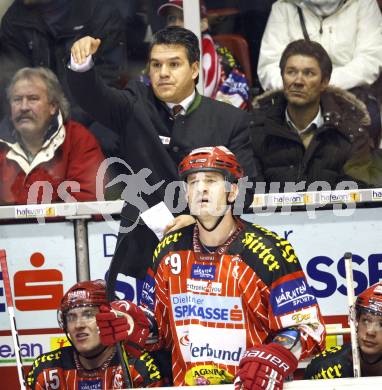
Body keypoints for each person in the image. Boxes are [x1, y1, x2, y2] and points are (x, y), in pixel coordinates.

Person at [68, 26, 256, 299]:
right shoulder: (133, 106)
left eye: (174, 64)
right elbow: (92, 96)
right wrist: (81, 63)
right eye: (156, 65)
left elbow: (245, 189)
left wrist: (198, 217)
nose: (163, 73)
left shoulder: (229, 120)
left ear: (194, 69)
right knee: (132, 336)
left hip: (212, 255)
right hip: (140, 258)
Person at [132, 146, 325, 387]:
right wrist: (131, 322)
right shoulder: (168, 250)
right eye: (192, 182)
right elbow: (155, 327)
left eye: (211, 181)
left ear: (232, 191)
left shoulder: (270, 252)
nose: (200, 188)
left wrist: (276, 355)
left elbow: (310, 327)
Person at [0, 0, 127, 155]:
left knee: (104, 141)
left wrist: (63, 122)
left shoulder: (99, 13)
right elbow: (12, 82)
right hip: (37, 113)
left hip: (91, 114)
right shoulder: (15, 18)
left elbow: (110, 82)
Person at [251, 39, 375, 191]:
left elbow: (360, 195)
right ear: (282, 77)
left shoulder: (351, 132)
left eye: (308, 73)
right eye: (291, 72)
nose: (298, 81)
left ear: (324, 82)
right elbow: (250, 196)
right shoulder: (257, 130)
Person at [256, 0, 382, 146]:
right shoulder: (283, 7)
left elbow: (370, 61)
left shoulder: (364, 4)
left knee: (368, 127)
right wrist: (298, 86)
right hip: (293, 95)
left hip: (350, 94)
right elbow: (269, 66)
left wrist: (320, 84)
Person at [26, 279, 163, 389]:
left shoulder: (138, 366)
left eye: (88, 314)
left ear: (110, 318)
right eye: (71, 317)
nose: (79, 325)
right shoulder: (46, 369)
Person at [0, 67, 106, 205]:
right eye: (17, 100)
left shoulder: (78, 140)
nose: (23, 107)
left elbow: (88, 203)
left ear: (53, 106)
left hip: (64, 226)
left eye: (33, 99)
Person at [157, 0, 250, 109]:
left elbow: (230, 117)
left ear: (203, 24)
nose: (176, 25)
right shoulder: (157, 61)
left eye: (183, 18)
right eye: (172, 19)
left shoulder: (224, 64)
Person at [305, 282, 382, 379]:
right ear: (357, 320)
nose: (370, 332)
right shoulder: (325, 367)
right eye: (366, 320)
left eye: (381, 324)